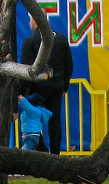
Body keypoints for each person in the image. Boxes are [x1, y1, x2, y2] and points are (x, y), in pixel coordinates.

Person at [21, 19, 73, 155]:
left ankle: (41, 149)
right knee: (54, 121)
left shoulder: (30, 40)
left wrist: (22, 92)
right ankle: (55, 155)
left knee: (31, 118)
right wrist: (64, 86)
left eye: (30, 20)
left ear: (34, 20)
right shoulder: (61, 39)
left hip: (37, 88)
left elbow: (25, 69)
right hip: (56, 86)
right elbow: (69, 65)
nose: (29, 24)